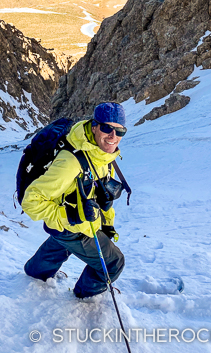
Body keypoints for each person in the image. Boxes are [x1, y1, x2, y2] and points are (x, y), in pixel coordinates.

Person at [22, 102, 127, 299]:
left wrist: (106, 222)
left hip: (67, 226)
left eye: (120, 131)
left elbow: (93, 191)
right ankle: (84, 297)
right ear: (94, 126)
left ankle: (36, 273)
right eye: (107, 128)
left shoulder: (101, 155)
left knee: (62, 241)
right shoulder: (71, 162)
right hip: (72, 225)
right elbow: (31, 202)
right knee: (114, 262)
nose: (113, 136)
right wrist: (72, 215)